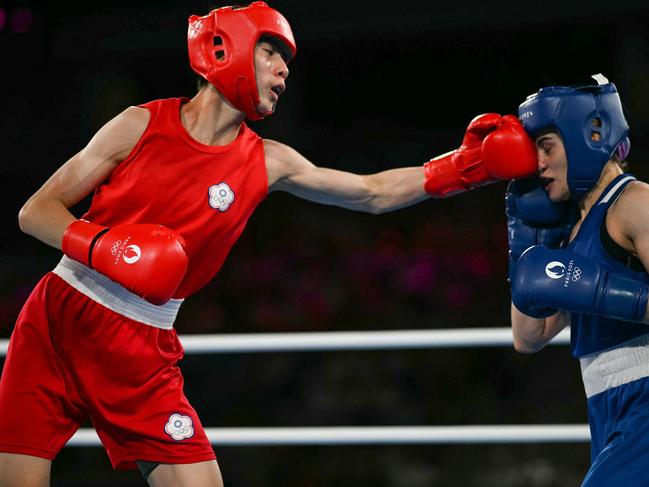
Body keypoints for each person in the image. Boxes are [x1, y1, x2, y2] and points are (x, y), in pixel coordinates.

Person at [0, 3, 538, 486]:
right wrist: (107, 249)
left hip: (141, 343)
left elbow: (371, 192)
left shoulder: (267, 161)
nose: (283, 69)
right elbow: (35, 211)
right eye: (271, 51)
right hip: (57, 317)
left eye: (286, 59)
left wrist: (463, 169)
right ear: (224, 46)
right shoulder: (139, 124)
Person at [507, 74, 649, 486]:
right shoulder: (572, 231)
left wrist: (608, 293)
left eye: (546, 147)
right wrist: (524, 245)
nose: (538, 164)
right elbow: (528, 336)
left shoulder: (635, 203)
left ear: (591, 134)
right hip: (608, 409)